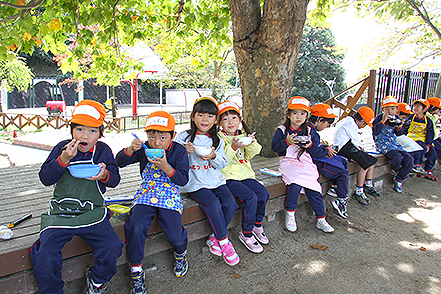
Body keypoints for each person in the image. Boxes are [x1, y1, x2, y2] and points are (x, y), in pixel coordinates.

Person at [31, 100, 123, 294]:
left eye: (92, 131)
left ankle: (96, 281)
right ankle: (53, 290)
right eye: (79, 129)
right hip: (62, 213)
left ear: (100, 133)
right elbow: (45, 179)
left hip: (93, 213)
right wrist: (63, 159)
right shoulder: (62, 149)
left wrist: (104, 175)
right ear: (71, 130)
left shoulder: (103, 151)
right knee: (45, 253)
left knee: (113, 246)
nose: (84, 136)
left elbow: (115, 179)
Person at [115, 111, 190, 294]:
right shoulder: (143, 149)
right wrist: (130, 150)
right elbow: (119, 161)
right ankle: (136, 270)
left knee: (174, 234)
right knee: (136, 225)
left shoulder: (179, 151)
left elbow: (183, 180)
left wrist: (165, 166)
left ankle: (181, 253)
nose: (156, 142)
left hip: (169, 194)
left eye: (162, 137)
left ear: (172, 136)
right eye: (151, 136)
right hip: (146, 193)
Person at [175, 96, 240, 266]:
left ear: (216, 119)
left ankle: (214, 237)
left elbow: (223, 163)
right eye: (201, 115)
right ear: (192, 116)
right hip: (195, 182)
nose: (205, 119)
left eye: (210, 116)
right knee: (212, 204)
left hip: (216, 180)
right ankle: (225, 242)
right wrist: (183, 152)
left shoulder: (216, 139)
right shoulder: (183, 137)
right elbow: (172, 160)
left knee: (230, 204)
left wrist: (213, 156)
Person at [271, 96, 334, 233]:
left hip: (304, 161)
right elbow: (275, 148)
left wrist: (310, 145)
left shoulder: (310, 131)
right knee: (295, 182)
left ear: (307, 116)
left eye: (302, 113)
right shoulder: (281, 130)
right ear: (288, 114)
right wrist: (287, 141)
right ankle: (290, 213)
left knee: (314, 186)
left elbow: (315, 152)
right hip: (288, 161)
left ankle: (321, 218)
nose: (298, 117)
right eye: (294, 113)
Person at [217, 101, 270, 253]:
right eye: (225, 119)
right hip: (228, 178)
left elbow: (252, 154)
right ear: (220, 123)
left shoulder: (243, 136)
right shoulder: (219, 138)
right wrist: (233, 146)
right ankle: (246, 233)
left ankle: (257, 225)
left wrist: (250, 143)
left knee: (263, 193)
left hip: (246, 176)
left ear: (240, 121)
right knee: (250, 197)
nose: (230, 122)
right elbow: (221, 160)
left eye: (234, 118)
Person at [307, 103, 350, 219]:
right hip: (316, 161)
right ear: (320, 120)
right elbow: (313, 152)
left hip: (320, 156)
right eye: (327, 124)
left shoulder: (312, 130)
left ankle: (334, 187)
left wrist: (325, 147)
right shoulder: (310, 131)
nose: (327, 127)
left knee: (343, 161)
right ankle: (341, 201)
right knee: (343, 173)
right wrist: (326, 150)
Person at [333, 106, 380, 205]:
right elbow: (356, 141)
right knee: (366, 163)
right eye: (366, 124)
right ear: (362, 121)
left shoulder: (348, 120)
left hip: (345, 147)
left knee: (372, 161)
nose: (365, 126)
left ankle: (368, 184)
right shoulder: (351, 124)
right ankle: (359, 190)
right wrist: (362, 149)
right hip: (344, 148)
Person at [372, 96, 414, 193]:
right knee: (397, 158)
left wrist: (399, 127)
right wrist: (383, 121)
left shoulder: (397, 118)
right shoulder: (379, 118)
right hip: (382, 144)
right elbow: (375, 132)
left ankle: (399, 179)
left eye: (392, 108)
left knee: (409, 159)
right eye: (387, 108)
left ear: (397, 109)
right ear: (382, 109)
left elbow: (399, 134)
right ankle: (398, 171)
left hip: (394, 143)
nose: (390, 111)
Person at [402, 99, 438, 181]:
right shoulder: (411, 118)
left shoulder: (428, 121)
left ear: (424, 109)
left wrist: (428, 144)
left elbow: (430, 133)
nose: (415, 108)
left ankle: (428, 170)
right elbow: (405, 129)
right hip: (411, 138)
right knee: (419, 148)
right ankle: (417, 165)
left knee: (433, 153)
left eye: (418, 106)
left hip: (423, 139)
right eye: (414, 106)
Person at [426, 97, 441, 165]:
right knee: (436, 152)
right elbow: (430, 121)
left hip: (435, 137)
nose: (437, 112)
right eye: (438, 110)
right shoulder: (427, 116)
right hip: (430, 139)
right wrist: (436, 116)